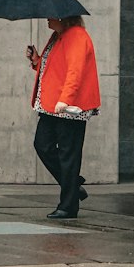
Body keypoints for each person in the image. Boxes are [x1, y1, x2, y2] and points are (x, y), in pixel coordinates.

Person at [25, 16, 100, 220]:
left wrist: (65, 100)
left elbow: (75, 72)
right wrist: (36, 61)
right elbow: (55, 68)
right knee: (43, 145)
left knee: (69, 155)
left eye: (51, 16)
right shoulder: (58, 36)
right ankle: (73, 186)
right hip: (52, 105)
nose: (48, 19)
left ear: (63, 18)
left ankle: (68, 206)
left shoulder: (77, 36)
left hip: (68, 107)